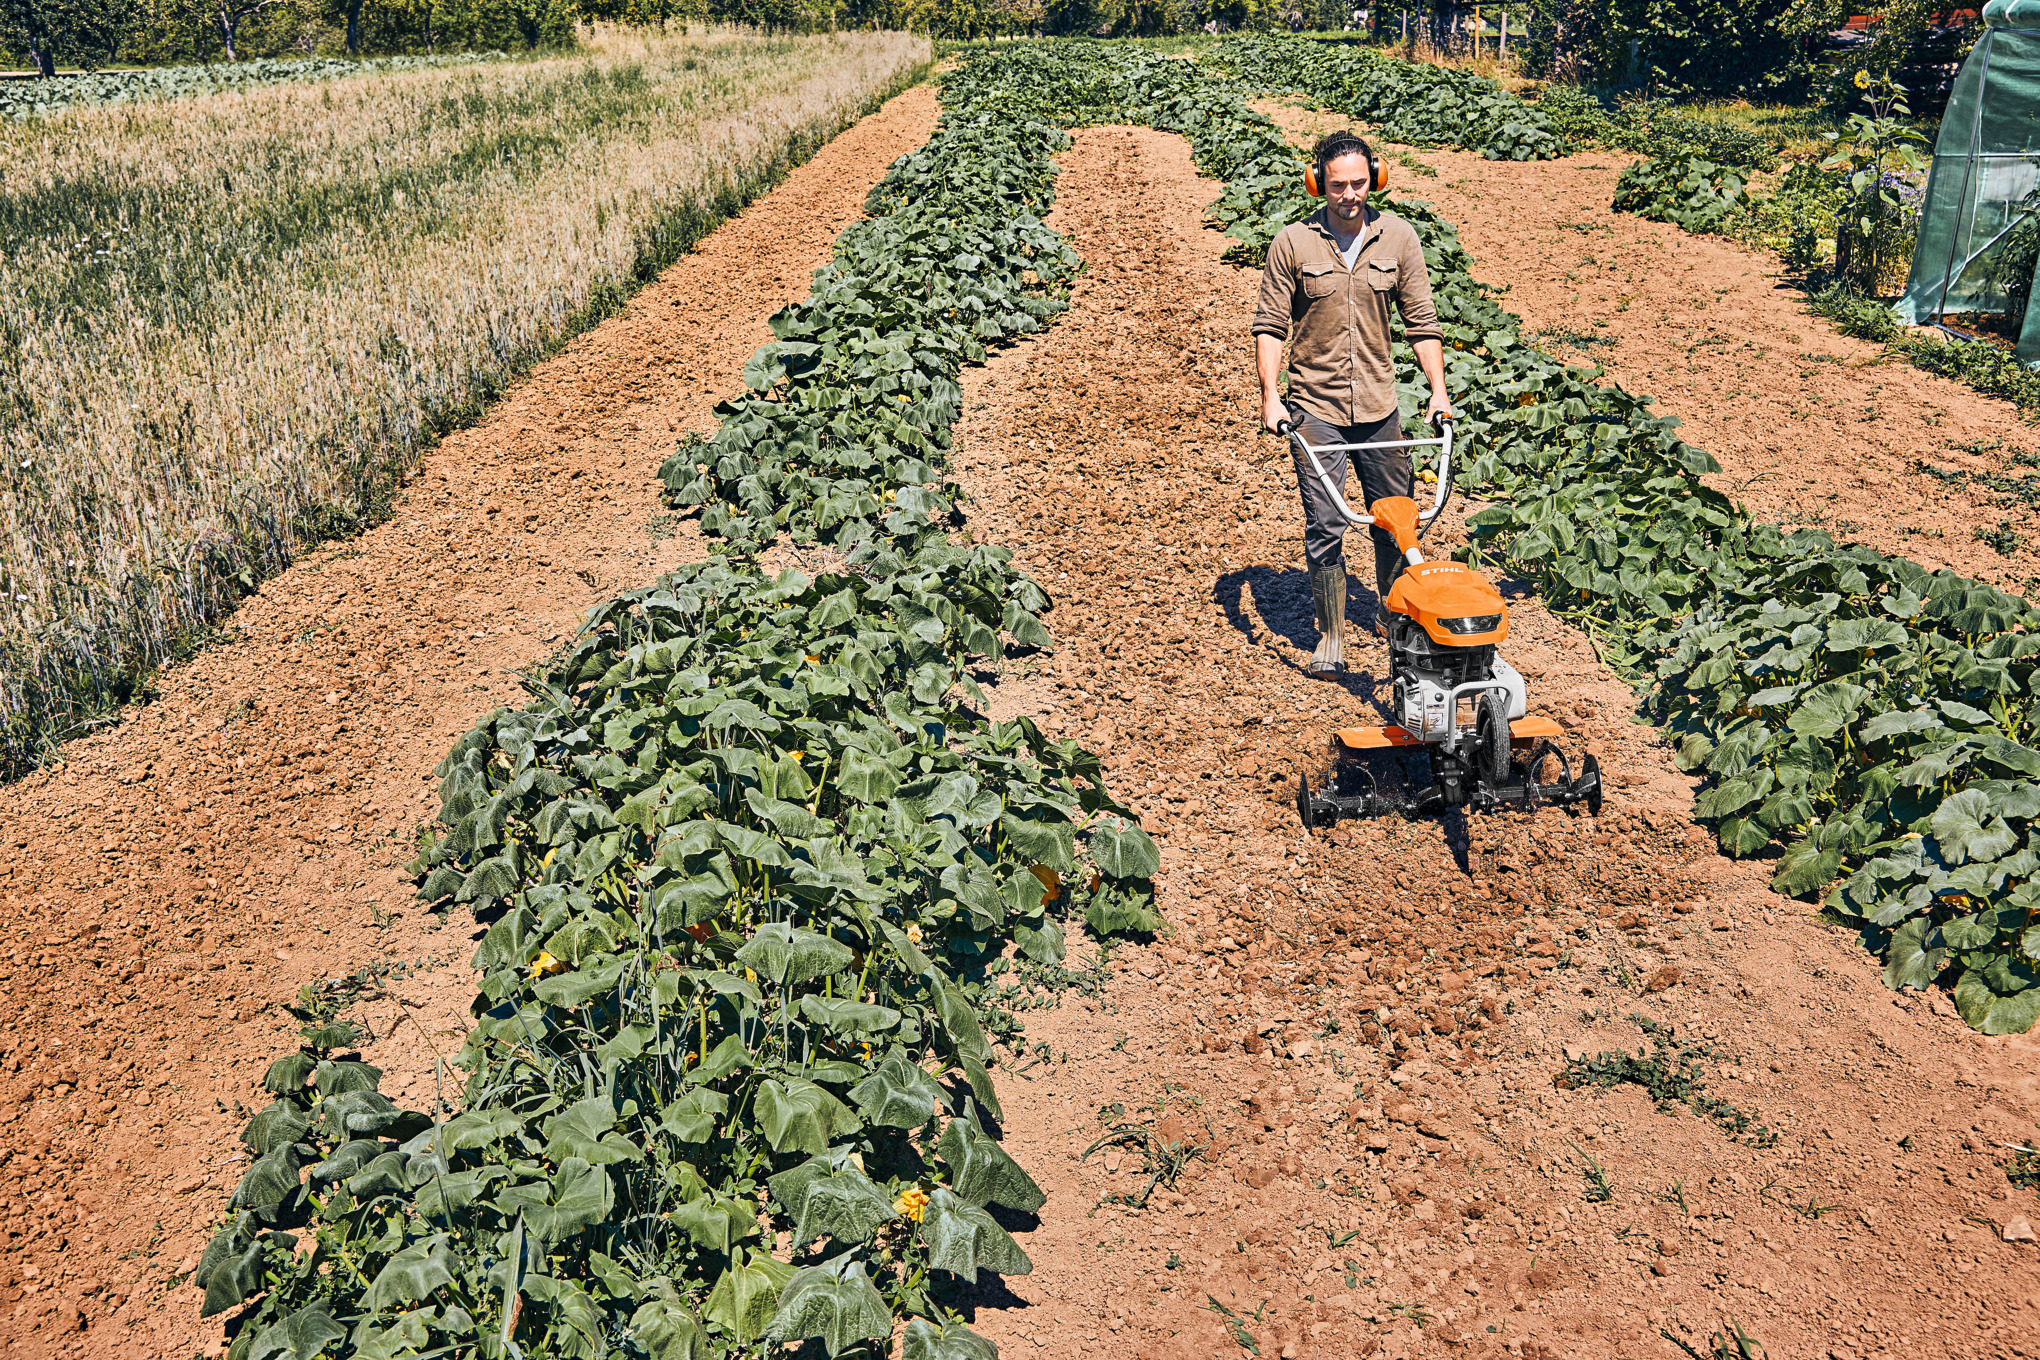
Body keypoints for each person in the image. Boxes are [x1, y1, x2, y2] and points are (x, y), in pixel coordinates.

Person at [1252, 130, 1453, 678]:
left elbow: (1423, 323)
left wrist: (1437, 390)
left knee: (1398, 518)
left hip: (1381, 405)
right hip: (1314, 406)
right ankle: (1333, 635)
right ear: (1319, 181)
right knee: (1326, 523)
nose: (1349, 195)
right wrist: (1272, 397)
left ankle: (1396, 619)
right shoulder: (1293, 243)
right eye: (1337, 184)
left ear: (1376, 179)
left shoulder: (1399, 238)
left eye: (1359, 183)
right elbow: (1270, 326)